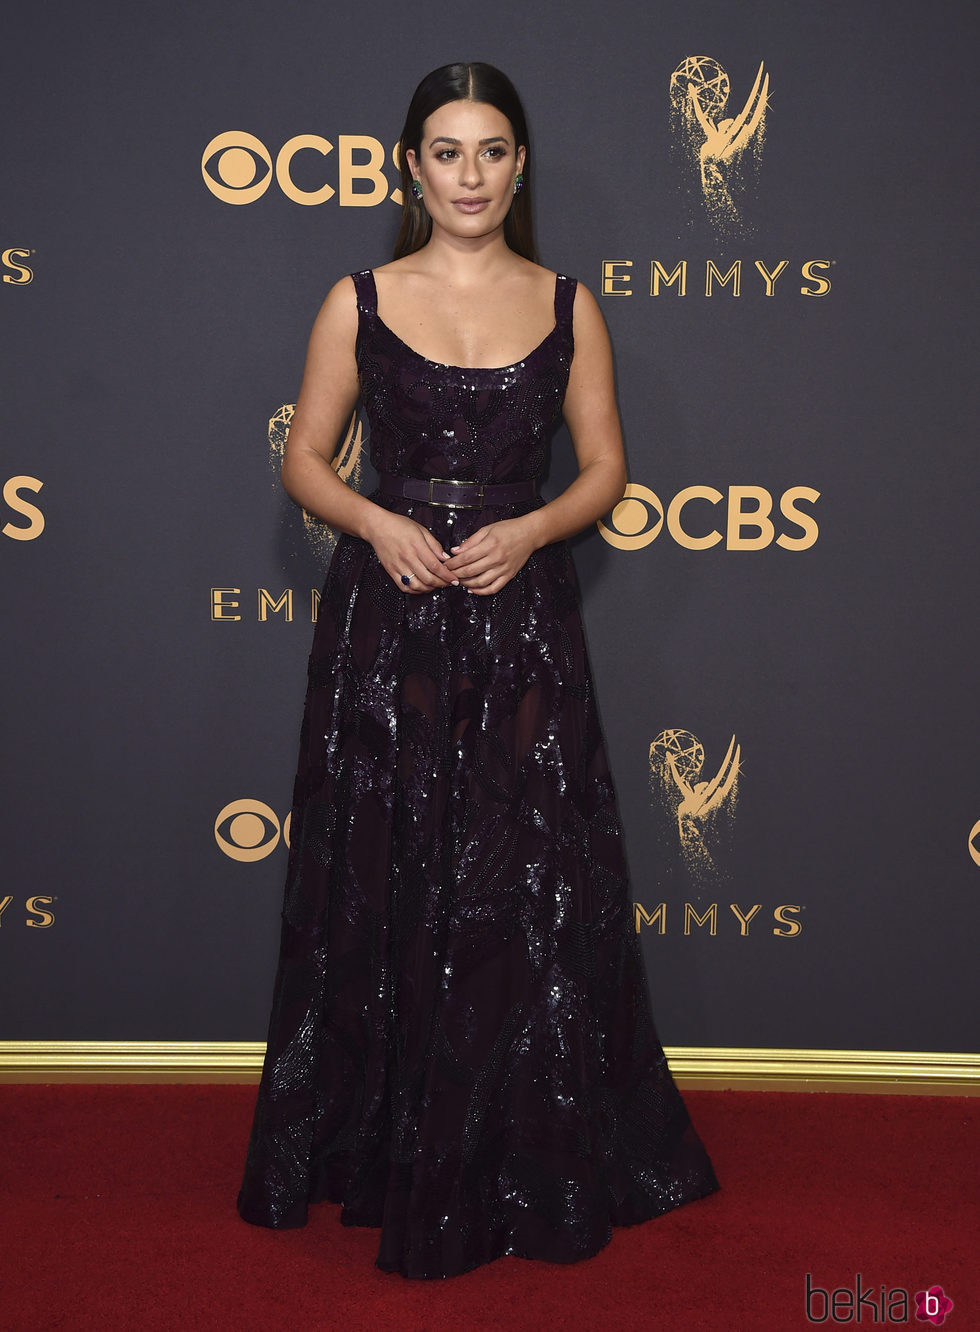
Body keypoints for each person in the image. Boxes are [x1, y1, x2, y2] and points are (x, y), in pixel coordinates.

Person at [238, 61, 720, 1280]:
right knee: (387, 867)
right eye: (444, 151)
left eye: (491, 151)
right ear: (410, 167)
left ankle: (519, 1145)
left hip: (521, 620)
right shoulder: (356, 299)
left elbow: (605, 467)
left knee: (525, 885)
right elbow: (301, 457)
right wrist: (373, 521)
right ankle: (376, 1141)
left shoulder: (569, 303)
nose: (468, 174)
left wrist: (535, 528)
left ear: (519, 166)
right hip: (385, 622)